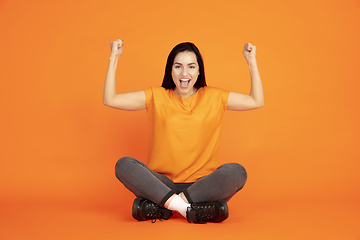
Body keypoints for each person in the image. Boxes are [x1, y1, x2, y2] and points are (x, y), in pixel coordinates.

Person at [103, 39, 264, 224]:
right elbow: (110, 99)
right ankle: (190, 210)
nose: (184, 73)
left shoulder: (215, 96)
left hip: (202, 186)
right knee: (124, 165)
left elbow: (256, 101)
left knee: (236, 172)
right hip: (161, 184)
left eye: (191, 66)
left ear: (199, 70)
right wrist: (113, 57)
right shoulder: (156, 96)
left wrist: (251, 61)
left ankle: (165, 207)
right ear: (170, 70)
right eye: (178, 66)